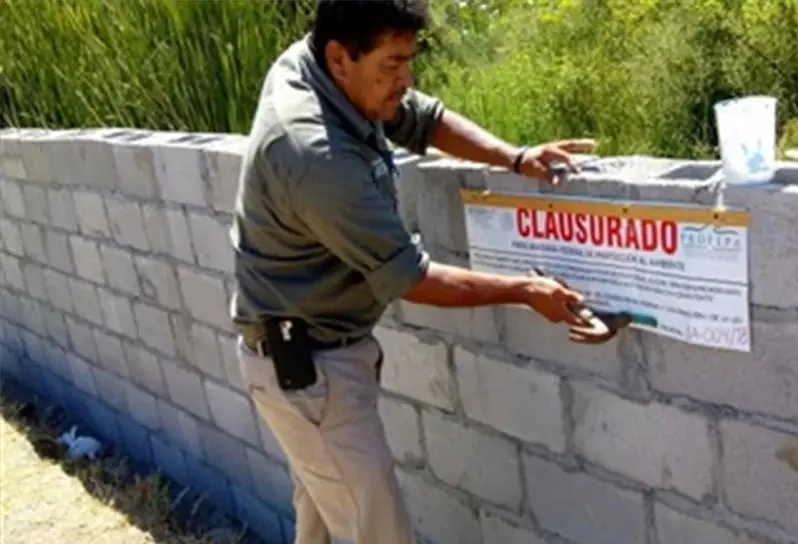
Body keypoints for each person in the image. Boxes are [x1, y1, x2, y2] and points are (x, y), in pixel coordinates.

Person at [229, 1, 596, 542]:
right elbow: (411, 278)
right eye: (392, 65)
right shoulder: (314, 153)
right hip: (310, 375)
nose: (407, 78)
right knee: (377, 532)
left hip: (312, 357)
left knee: (327, 524)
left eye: (409, 61)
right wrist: (524, 290)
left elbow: (417, 117)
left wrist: (515, 158)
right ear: (340, 58)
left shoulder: (328, 71)